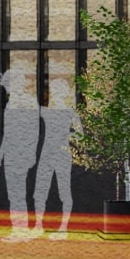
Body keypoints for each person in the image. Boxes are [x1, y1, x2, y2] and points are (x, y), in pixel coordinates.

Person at [0, 66, 45, 241]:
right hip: (10, 153)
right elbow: (8, 132)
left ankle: (20, 231)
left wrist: (30, 153)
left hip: (20, 153)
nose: (6, 88)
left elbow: (33, 130)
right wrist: (0, 154)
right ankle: (18, 229)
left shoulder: (28, 102)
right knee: (13, 193)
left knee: (18, 192)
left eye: (8, 84)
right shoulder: (11, 103)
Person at [36, 74, 81, 240]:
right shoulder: (46, 112)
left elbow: (81, 136)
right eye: (53, 90)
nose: (55, 93)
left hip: (62, 154)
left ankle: (63, 228)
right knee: (41, 190)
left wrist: (66, 136)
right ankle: (38, 225)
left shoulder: (70, 113)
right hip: (46, 154)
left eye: (57, 90)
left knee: (64, 190)